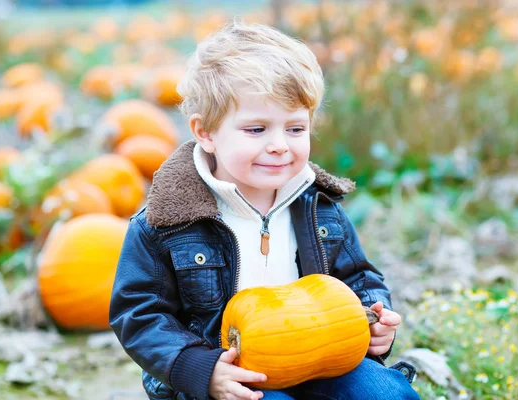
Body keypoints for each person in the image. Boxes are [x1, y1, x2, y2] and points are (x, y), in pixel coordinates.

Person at [109, 18, 421, 400]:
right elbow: (139, 314)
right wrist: (198, 369)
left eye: (295, 129)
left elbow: (357, 276)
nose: (279, 145)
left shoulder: (317, 205)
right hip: (231, 374)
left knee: (385, 393)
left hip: (319, 359)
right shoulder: (167, 223)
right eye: (256, 130)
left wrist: (375, 316)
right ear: (205, 132)